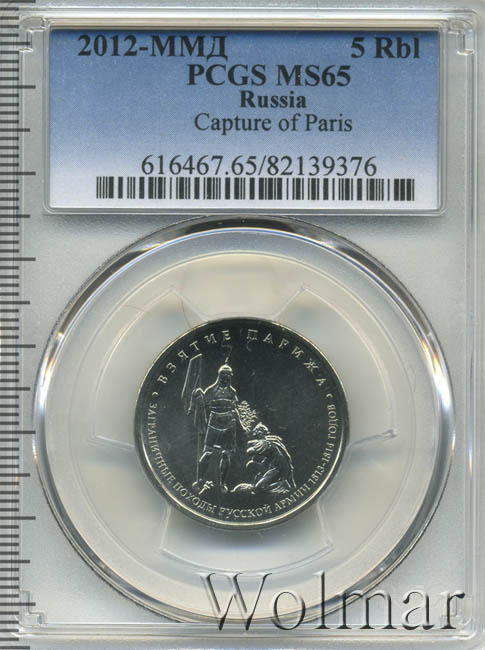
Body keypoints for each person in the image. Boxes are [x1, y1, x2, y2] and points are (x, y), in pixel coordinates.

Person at [191, 364, 246, 494]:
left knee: (226, 454)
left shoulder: (232, 392)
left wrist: (241, 425)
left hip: (229, 424)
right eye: (225, 374)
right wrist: (197, 398)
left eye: (229, 375)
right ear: (220, 375)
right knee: (208, 452)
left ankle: (222, 483)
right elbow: (201, 406)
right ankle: (200, 480)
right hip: (214, 423)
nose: (227, 377)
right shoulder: (210, 391)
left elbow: (235, 410)